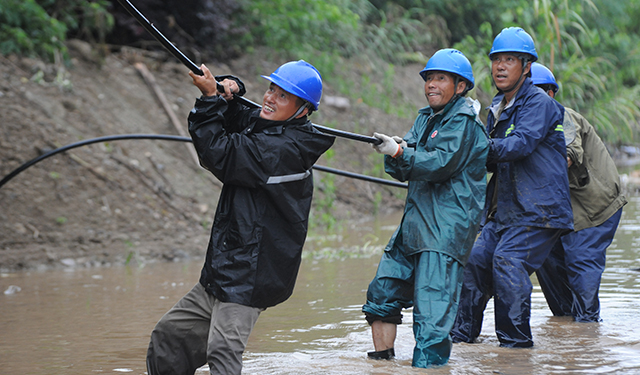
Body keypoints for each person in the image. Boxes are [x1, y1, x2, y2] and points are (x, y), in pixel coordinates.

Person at [146, 60, 335, 375]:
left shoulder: (283, 149)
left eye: (283, 96)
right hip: (225, 269)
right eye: (271, 88)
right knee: (169, 338)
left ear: (302, 110)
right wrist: (230, 87)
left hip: (252, 274)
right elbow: (241, 116)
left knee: (222, 351)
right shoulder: (270, 126)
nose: (270, 98)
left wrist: (209, 101)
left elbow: (219, 152)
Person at [361, 48, 489, 367]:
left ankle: (429, 369)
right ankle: (382, 365)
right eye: (429, 78)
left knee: (431, 321)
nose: (431, 84)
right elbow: (403, 166)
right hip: (414, 225)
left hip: (444, 232)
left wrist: (400, 153)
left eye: (440, 78)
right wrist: (396, 151)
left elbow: (439, 164)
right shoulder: (424, 117)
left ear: (460, 86)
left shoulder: (465, 122)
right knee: (382, 295)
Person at [450, 27, 573, 348]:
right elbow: (489, 160)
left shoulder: (539, 103)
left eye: (509, 60)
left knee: (507, 262)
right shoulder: (497, 107)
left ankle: (515, 349)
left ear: (527, 66)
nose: (500, 67)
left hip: (540, 210)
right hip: (506, 210)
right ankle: (461, 339)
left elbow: (518, 146)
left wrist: (472, 146)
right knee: (476, 260)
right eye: (496, 60)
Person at [531, 62, 627, 322]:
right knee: (545, 261)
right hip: (558, 210)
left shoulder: (562, 117)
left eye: (536, 92)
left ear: (550, 95)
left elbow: (567, 155)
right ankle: (566, 329)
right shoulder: (520, 123)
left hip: (592, 208)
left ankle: (585, 329)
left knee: (579, 260)